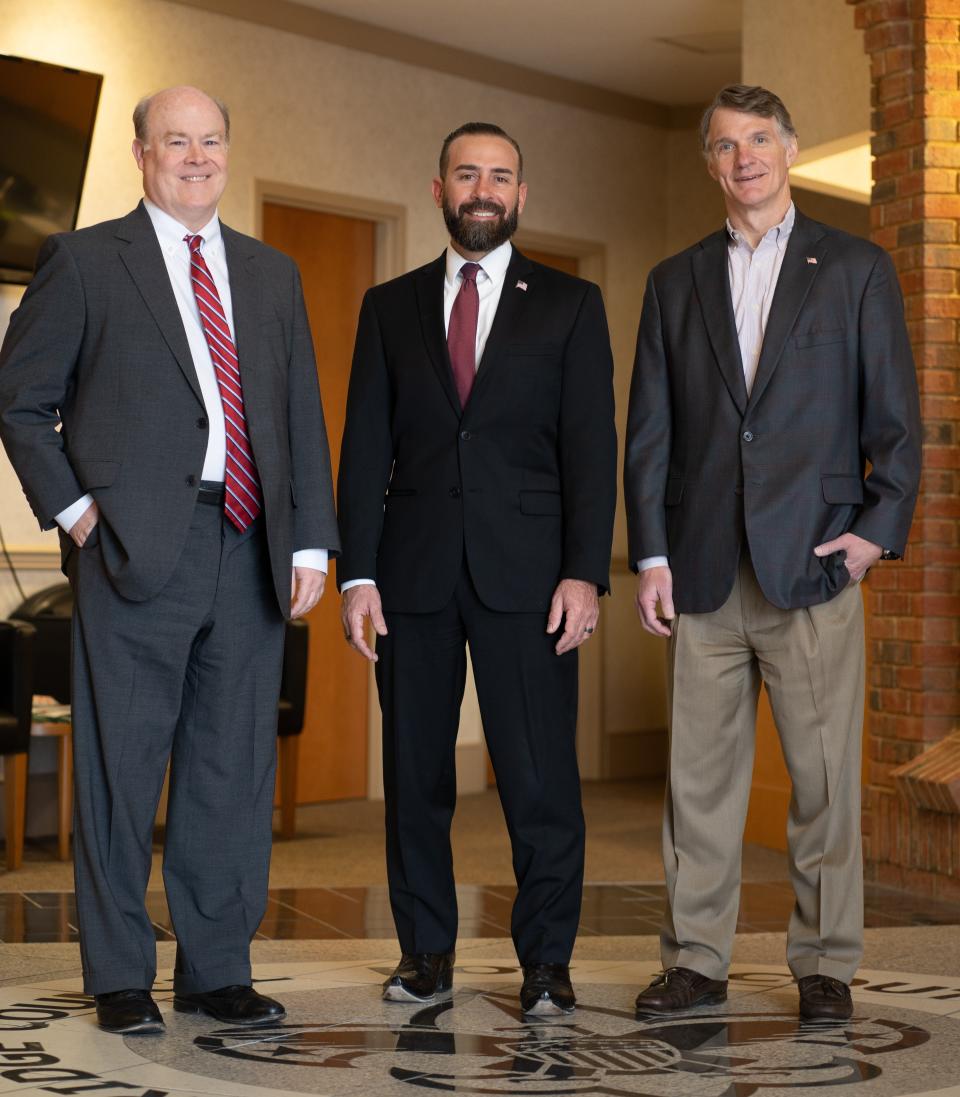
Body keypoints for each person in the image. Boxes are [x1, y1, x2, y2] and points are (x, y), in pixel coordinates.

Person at [0, 86, 339, 1034]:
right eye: (175, 141)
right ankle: (117, 975)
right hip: (132, 546)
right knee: (121, 766)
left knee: (231, 768)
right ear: (141, 154)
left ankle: (216, 968)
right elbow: (21, 399)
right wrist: (76, 515)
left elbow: (296, 414)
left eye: (211, 140)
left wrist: (310, 536)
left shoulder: (271, 275)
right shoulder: (84, 260)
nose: (196, 156)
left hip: (250, 542)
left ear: (228, 151)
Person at [624, 84, 921, 1022]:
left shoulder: (857, 269)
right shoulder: (673, 282)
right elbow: (651, 434)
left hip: (817, 566)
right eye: (724, 143)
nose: (744, 156)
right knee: (697, 788)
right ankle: (696, 962)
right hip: (704, 571)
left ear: (789, 149)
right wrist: (651, 553)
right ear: (708, 162)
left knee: (825, 784)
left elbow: (897, 424)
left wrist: (875, 533)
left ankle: (825, 962)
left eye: (760, 139)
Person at [337, 122, 617, 1016]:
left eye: (501, 175)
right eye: (468, 174)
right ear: (439, 189)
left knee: (538, 780)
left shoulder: (571, 305)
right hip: (411, 576)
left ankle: (546, 963)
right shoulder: (390, 306)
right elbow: (364, 450)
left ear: (522, 195)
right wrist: (357, 574)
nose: (484, 188)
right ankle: (424, 953)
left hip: (531, 578)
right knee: (416, 778)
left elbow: (590, 452)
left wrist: (585, 571)